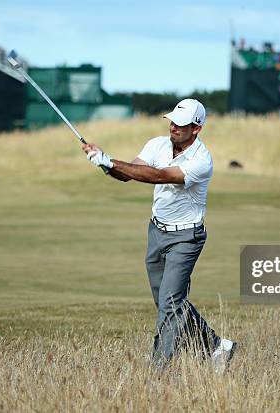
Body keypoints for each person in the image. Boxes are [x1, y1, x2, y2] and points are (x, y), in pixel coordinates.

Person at [82, 99, 236, 373]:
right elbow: (130, 173)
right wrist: (105, 163)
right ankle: (216, 346)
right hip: (157, 232)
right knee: (169, 303)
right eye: (172, 121)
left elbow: (158, 175)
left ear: (197, 128)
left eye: (182, 124)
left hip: (186, 238)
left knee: (169, 304)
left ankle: (158, 373)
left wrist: (111, 161)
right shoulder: (157, 144)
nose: (174, 127)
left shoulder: (202, 160)